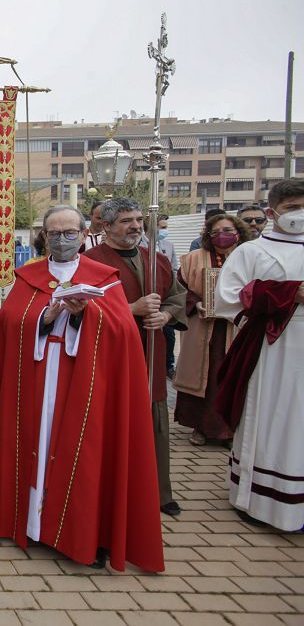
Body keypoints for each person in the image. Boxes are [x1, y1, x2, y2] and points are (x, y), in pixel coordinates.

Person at [0, 205, 163, 572]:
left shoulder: (105, 278)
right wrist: (45, 316)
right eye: (54, 233)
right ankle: (29, 523)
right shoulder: (28, 277)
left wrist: (85, 313)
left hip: (82, 382)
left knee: (80, 452)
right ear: (44, 237)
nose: (62, 240)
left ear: (84, 234)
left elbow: (122, 331)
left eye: (69, 233)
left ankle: (76, 532)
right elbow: (9, 322)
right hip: (37, 379)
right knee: (33, 445)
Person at [84, 197, 188, 517]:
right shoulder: (90, 261)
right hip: (110, 353)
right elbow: (86, 308)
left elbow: (176, 298)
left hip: (150, 351)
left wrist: (167, 317)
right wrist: (131, 310)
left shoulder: (155, 258)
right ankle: (113, 491)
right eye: (127, 221)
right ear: (107, 226)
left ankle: (158, 492)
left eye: (138, 220)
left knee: (154, 419)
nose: (135, 226)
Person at [213, 178, 304, 531]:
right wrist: (287, 295)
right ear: (272, 212)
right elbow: (228, 297)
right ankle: (260, 498)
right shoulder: (251, 252)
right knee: (273, 414)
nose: (299, 216)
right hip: (272, 347)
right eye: (293, 209)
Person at [173, 214, 248, 446]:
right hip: (203, 327)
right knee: (204, 377)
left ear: (238, 232)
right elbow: (180, 288)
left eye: (227, 230)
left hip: (237, 328)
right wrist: (196, 304)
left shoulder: (249, 256)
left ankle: (229, 431)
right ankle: (201, 428)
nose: (221, 236)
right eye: (215, 232)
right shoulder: (194, 258)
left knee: (233, 377)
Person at [139, 213, 177, 379]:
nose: (163, 231)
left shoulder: (167, 246)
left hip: (160, 303)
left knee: (168, 336)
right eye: (161, 227)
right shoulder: (137, 246)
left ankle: (168, 365)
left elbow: (173, 272)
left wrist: (167, 314)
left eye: (165, 227)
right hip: (139, 308)